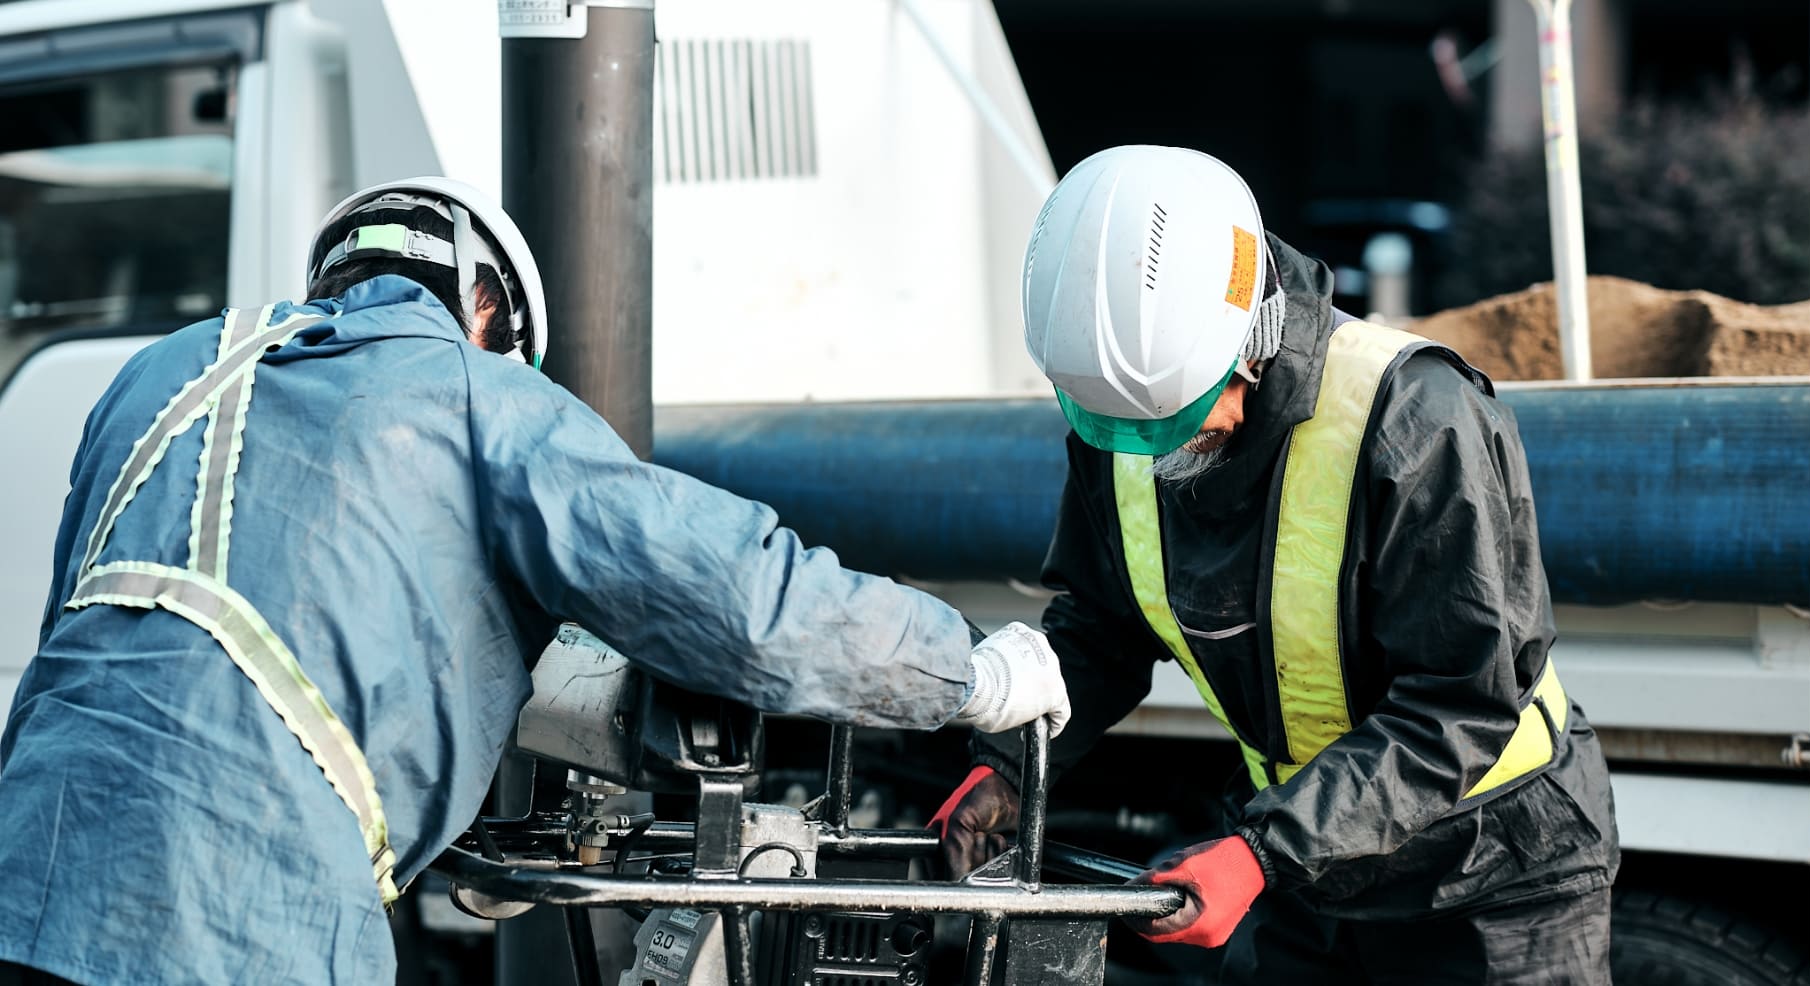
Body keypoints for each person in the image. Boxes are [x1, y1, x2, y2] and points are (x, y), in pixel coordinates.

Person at [0, 177, 1070, 986]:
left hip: (23, 881)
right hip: (237, 920)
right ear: (487, 313)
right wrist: (966, 671)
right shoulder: (480, 395)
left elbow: (98, 635)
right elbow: (735, 597)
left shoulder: (161, 373)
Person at [930, 145, 1619, 983]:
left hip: (1492, 877)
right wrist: (1005, 762)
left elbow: (1457, 707)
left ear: (1251, 337)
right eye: (1128, 429)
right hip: (1310, 871)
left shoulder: (1415, 422)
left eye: (1173, 417)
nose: (1155, 449)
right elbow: (1103, 629)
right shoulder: (1124, 412)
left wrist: (1259, 853)